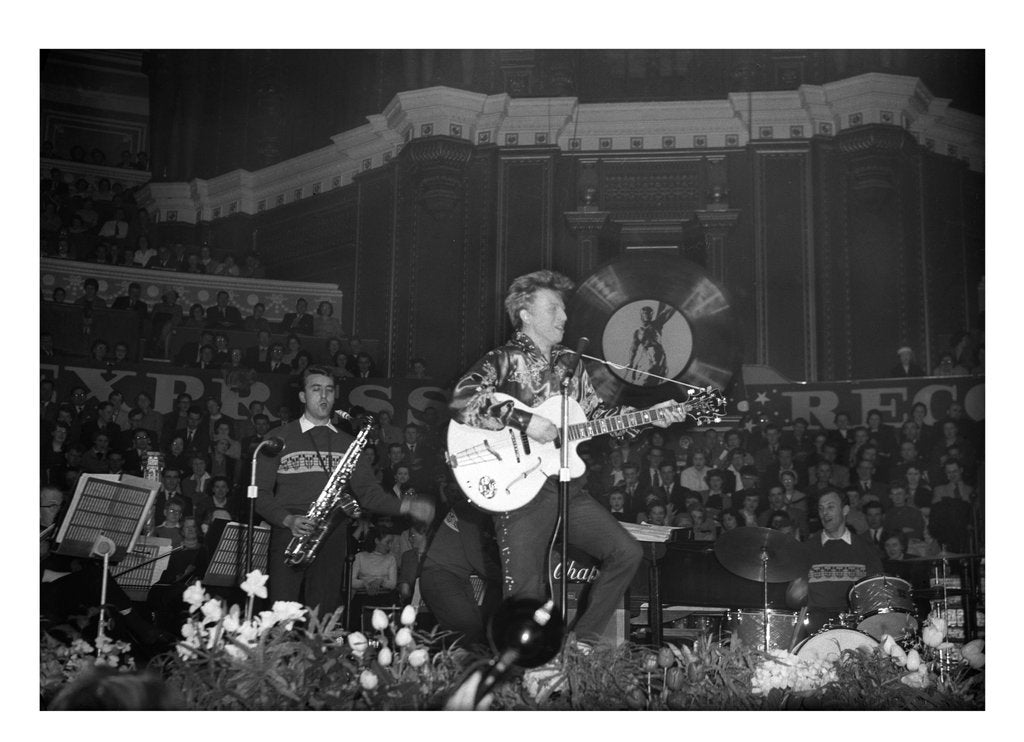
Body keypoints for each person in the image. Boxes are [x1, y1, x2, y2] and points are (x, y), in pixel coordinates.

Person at [447, 270, 687, 646]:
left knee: (626, 552)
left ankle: (584, 643)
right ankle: (521, 682)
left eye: (563, 308)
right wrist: (525, 422)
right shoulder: (505, 359)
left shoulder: (570, 365)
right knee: (524, 595)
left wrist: (653, 414)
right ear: (525, 314)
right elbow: (462, 399)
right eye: (553, 307)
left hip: (566, 487)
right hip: (520, 490)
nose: (564, 317)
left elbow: (595, 419)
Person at [255, 367, 433, 615]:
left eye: (328, 390)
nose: (323, 396)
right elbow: (259, 495)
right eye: (315, 389)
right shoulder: (278, 437)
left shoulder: (347, 442)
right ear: (303, 396)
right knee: (280, 613)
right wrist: (287, 519)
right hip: (290, 533)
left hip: (332, 534)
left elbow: (369, 494)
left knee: (324, 615)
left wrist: (407, 505)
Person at [794, 489, 884, 635]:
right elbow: (796, 597)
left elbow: (876, 595)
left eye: (830, 507)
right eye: (821, 509)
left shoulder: (866, 549)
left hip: (855, 628)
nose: (825, 513)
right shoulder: (807, 549)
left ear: (845, 510)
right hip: (815, 630)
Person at [626, 302, 673, 386]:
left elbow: (666, 312)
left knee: (651, 375)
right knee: (638, 377)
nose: (647, 316)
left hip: (657, 354)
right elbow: (633, 348)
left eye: (649, 314)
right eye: (645, 314)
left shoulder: (657, 324)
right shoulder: (638, 332)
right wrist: (630, 363)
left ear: (651, 315)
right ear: (642, 315)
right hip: (645, 355)